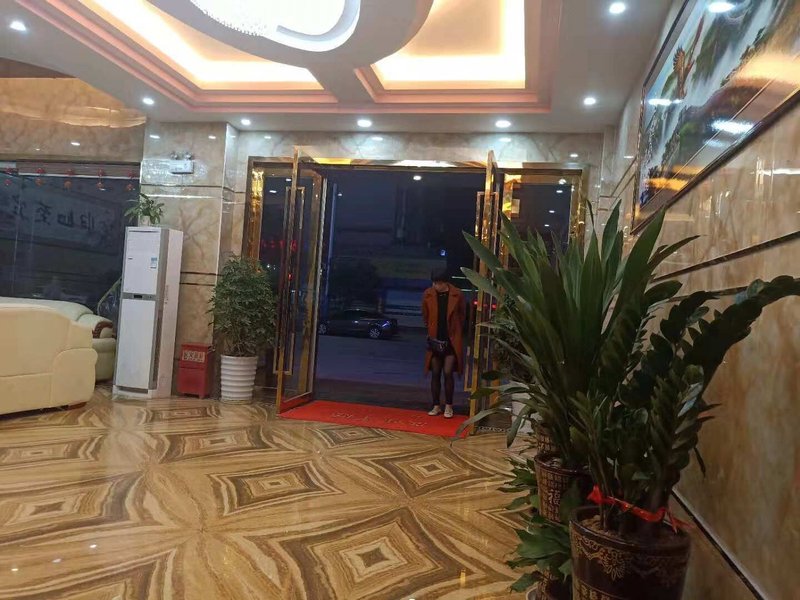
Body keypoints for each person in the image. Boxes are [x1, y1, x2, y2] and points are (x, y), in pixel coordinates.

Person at [422, 268, 466, 418]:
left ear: (445, 282)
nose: (436, 286)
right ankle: (436, 406)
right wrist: (431, 329)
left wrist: (456, 331)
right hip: (435, 340)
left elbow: (462, 315)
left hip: (451, 341)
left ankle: (449, 406)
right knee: (435, 373)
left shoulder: (457, 294)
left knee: (448, 372)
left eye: (439, 283)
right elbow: (425, 316)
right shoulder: (428, 294)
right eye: (434, 283)